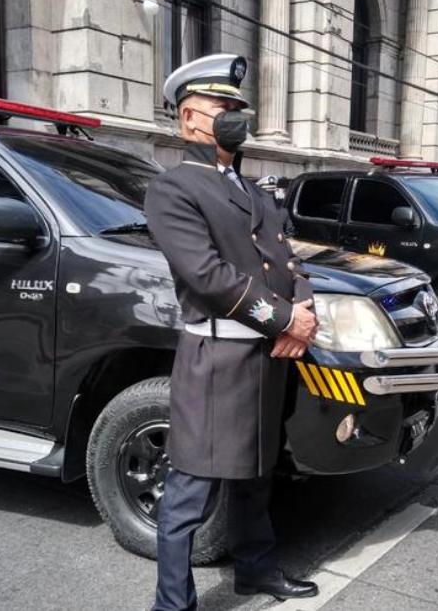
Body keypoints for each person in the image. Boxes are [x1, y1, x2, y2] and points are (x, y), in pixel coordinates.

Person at [145, 53, 320, 611]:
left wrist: (305, 311)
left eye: (238, 107)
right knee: (190, 491)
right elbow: (207, 275)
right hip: (217, 358)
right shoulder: (174, 189)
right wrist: (283, 319)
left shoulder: (254, 191)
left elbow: (289, 261)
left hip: (267, 358)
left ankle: (255, 570)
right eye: (225, 107)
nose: (236, 116)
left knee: (256, 477)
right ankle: (173, 603)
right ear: (192, 118)